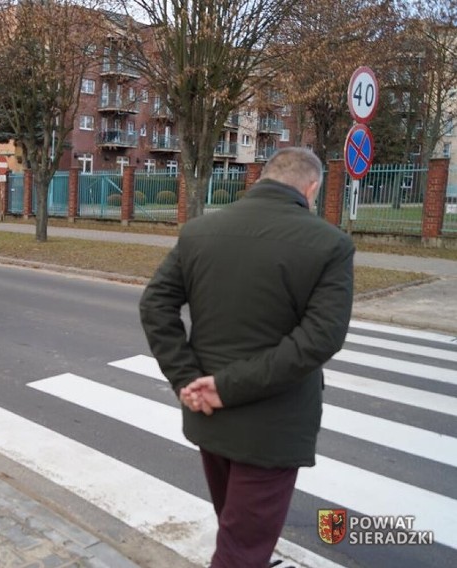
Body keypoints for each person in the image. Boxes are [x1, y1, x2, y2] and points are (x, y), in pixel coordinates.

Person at [139, 147, 354, 568]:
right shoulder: (330, 244)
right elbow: (319, 339)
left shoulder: (199, 231)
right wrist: (226, 388)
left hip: (207, 414)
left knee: (235, 527)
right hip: (271, 427)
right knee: (240, 549)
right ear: (311, 189)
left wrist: (188, 380)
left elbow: (155, 307)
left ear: (262, 179)